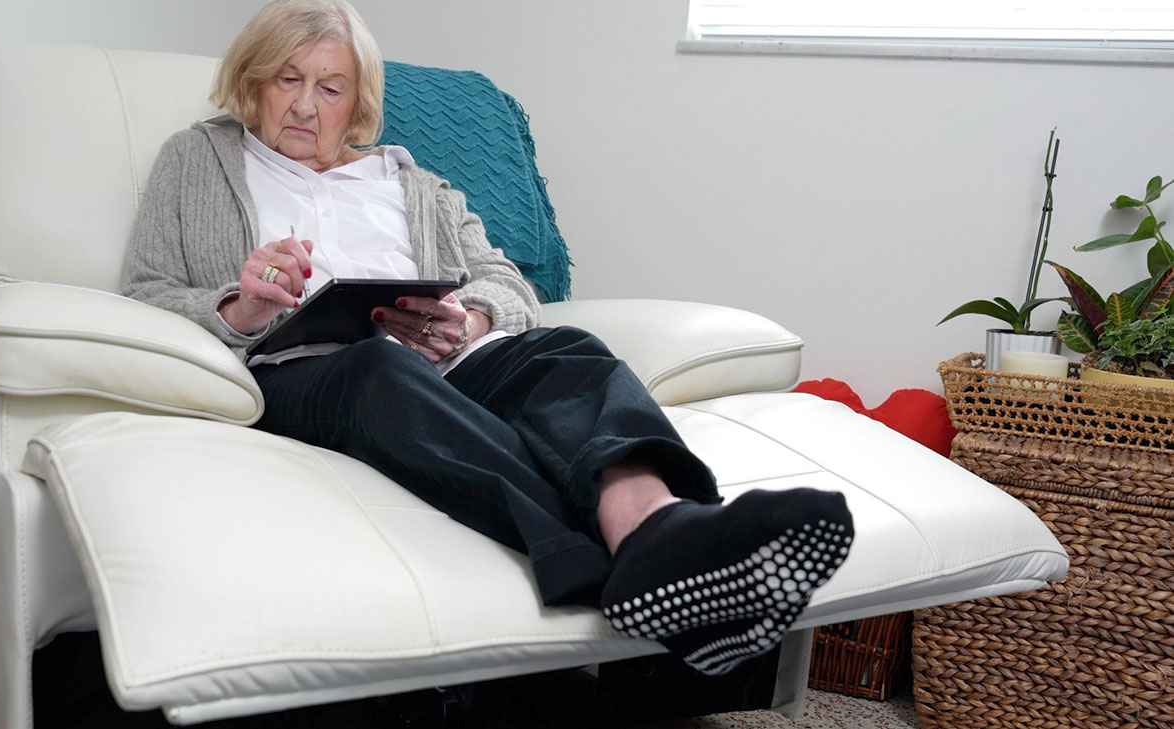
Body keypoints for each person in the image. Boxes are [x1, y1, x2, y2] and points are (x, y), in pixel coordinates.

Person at [123, 0, 853, 677]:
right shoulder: (197, 159)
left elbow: (509, 284)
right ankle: (596, 557)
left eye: (332, 87)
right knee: (376, 364)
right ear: (255, 81)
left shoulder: (412, 182)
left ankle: (657, 529)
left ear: (359, 102)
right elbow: (145, 289)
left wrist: (467, 318)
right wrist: (241, 305)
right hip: (312, 375)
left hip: (443, 364)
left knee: (572, 353)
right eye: (289, 79)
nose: (308, 105)